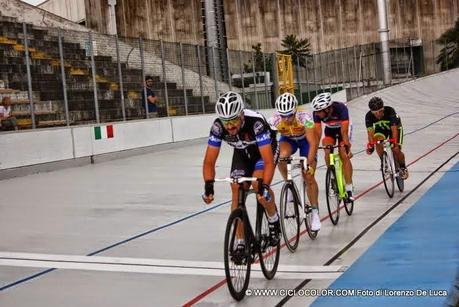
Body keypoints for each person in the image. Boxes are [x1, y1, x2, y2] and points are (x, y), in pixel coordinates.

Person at [202, 91, 280, 254]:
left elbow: (267, 162)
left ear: (242, 115)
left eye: (233, 120)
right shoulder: (217, 127)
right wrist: (208, 186)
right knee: (236, 189)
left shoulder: (256, 123)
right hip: (242, 153)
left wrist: (265, 186)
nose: (230, 126)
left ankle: (273, 219)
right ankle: (240, 241)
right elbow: (209, 161)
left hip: (264, 151)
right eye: (226, 121)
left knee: (257, 184)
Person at [268, 92, 321, 231]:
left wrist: (309, 164)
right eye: (283, 115)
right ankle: (288, 182)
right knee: (280, 156)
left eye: (289, 115)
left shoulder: (305, 117)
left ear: (295, 111)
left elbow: (313, 142)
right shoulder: (274, 121)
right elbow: (271, 146)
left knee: (308, 176)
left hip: (305, 141)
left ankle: (315, 212)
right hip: (288, 140)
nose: (286, 118)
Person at [311, 92, 354, 201]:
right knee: (326, 148)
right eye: (316, 111)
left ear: (327, 109)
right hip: (330, 129)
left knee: (343, 153)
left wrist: (347, 147)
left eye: (319, 111)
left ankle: (349, 188)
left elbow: (344, 132)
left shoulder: (341, 108)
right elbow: (317, 133)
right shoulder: (316, 113)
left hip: (343, 129)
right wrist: (314, 148)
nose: (317, 114)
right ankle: (332, 174)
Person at [365, 96, 409, 179]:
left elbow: (394, 129)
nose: (378, 114)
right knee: (377, 141)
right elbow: (370, 133)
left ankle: (403, 167)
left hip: (395, 127)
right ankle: (383, 161)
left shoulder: (390, 111)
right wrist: (371, 145)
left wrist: (394, 143)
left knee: (395, 149)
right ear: (372, 112)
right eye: (375, 113)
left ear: (383, 109)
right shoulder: (368, 116)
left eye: (380, 111)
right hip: (381, 129)